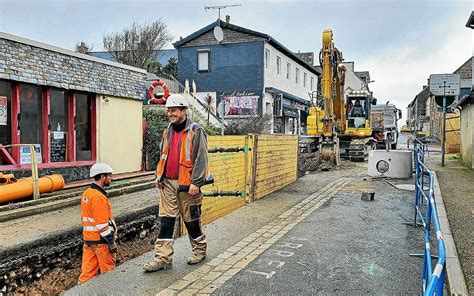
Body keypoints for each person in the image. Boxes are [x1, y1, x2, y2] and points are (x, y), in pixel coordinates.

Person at [143, 94, 213, 272]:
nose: (170, 113)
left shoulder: (196, 131)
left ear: (183, 110)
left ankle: (199, 250)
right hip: (167, 183)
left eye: (173, 110)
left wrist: (196, 182)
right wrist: (159, 176)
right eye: (168, 110)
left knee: (191, 220)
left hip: (188, 185)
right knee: (166, 221)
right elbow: (163, 156)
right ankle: (162, 258)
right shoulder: (168, 131)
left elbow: (201, 159)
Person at [78, 162, 118, 283]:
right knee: (109, 274)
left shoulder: (87, 194)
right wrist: (111, 242)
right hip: (101, 242)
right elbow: (102, 225)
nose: (111, 178)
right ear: (102, 177)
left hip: (89, 241)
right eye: (109, 176)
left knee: (87, 275)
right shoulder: (98, 197)